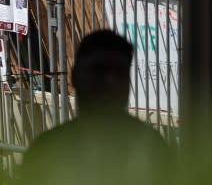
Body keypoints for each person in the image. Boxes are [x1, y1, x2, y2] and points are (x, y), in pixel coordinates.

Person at [20, 29, 174, 185]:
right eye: (99, 71)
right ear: (75, 76)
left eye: (120, 72)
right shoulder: (45, 153)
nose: (110, 82)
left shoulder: (152, 150)